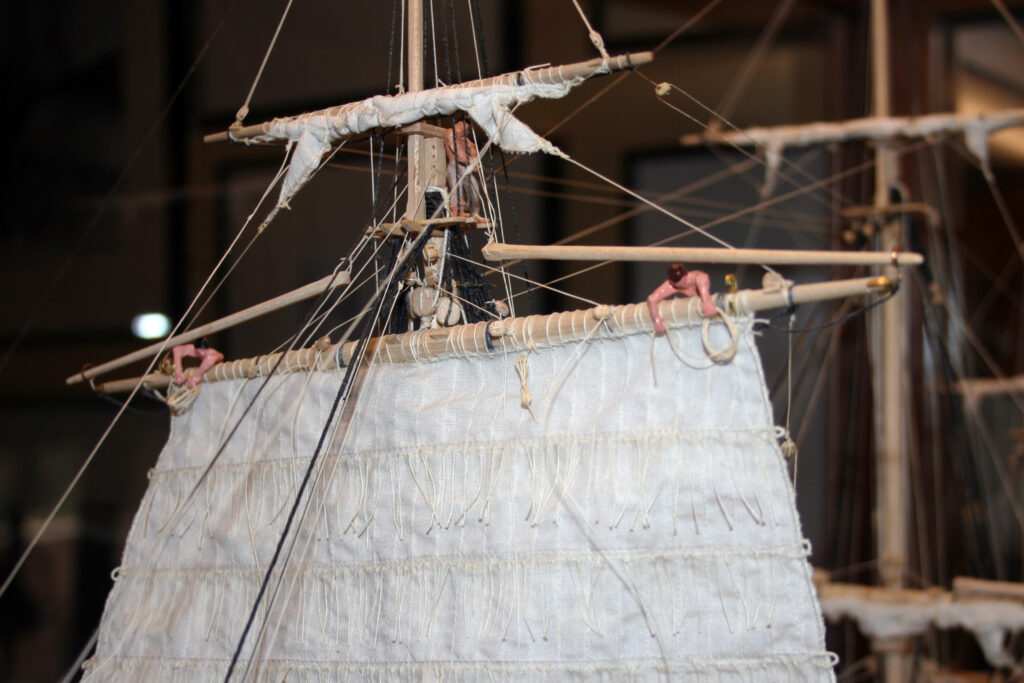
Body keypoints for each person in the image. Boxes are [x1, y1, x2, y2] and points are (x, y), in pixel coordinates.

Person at [646, 263, 716, 333]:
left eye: (684, 282)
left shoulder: (698, 278)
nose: (683, 285)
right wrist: (657, 320)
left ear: (686, 276)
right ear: (672, 282)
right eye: (680, 284)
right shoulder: (671, 285)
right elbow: (652, 300)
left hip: (705, 297)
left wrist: (706, 302)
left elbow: (702, 280)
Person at [444, 120, 484, 217]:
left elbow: (472, 149)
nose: (467, 130)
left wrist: (475, 159)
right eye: (466, 128)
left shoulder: (465, 140)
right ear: (460, 124)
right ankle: (457, 211)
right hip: (454, 165)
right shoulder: (449, 133)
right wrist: (469, 160)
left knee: (473, 186)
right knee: (456, 187)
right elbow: (456, 150)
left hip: (464, 167)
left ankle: (475, 212)